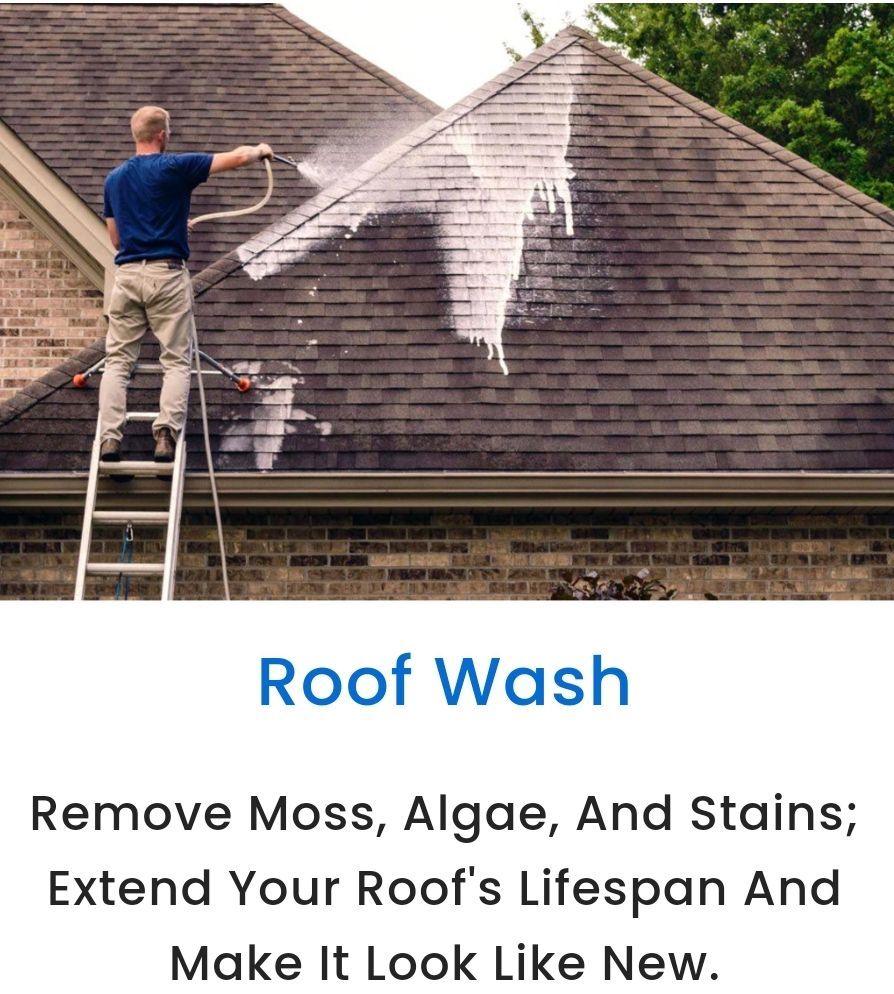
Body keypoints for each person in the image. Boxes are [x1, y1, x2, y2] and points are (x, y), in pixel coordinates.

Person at [99, 105, 272, 462]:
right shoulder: (175, 166)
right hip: (166, 275)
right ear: (162, 135)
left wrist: (173, 225)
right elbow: (237, 158)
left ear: (136, 135)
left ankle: (109, 440)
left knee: (117, 362)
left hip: (128, 277)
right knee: (176, 361)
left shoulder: (114, 179)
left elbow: (116, 239)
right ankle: (165, 436)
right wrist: (260, 151)